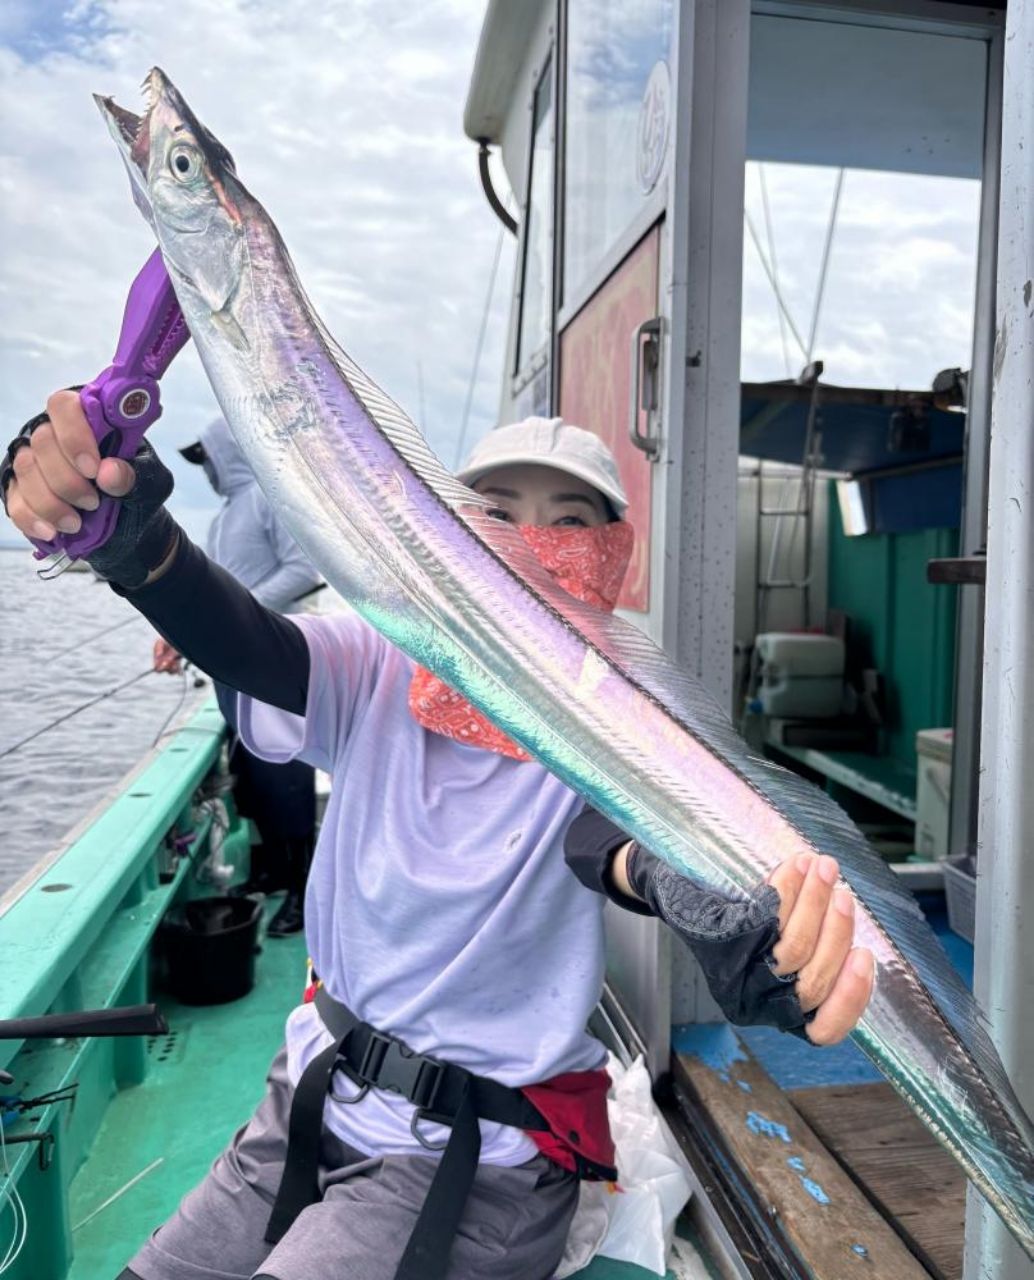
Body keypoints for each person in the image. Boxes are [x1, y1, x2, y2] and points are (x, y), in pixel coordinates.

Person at [2, 402, 874, 1280]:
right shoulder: (376, 661)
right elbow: (253, 645)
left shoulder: (618, 718)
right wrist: (140, 549)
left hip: (475, 1151)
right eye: (495, 511)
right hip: (304, 1097)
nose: (531, 541)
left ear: (612, 552)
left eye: (570, 520)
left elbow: (617, 834)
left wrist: (710, 892)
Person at [156, 415, 323, 936]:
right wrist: (185, 638)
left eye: (207, 457)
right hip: (233, 671)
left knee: (284, 776)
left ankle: (302, 891)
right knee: (250, 776)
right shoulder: (223, 518)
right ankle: (272, 870)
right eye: (200, 462)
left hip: (272, 662)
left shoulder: (270, 498)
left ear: (230, 451)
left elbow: (304, 571)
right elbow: (213, 601)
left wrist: (240, 616)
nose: (205, 469)